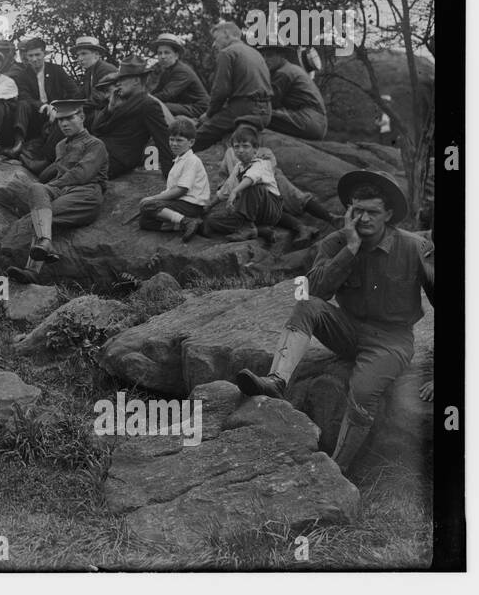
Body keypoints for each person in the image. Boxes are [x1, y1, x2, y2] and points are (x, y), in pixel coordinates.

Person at [235, 170, 434, 475]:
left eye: (373, 212)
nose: (364, 219)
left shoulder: (413, 247)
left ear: (389, 214)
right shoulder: (335, 242)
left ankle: (336, 471)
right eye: (357, 211)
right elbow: (314, 290)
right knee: (307, 306)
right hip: (347, 329)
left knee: (365, 391)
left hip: (391, 341)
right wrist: (351, 248)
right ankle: (276, 381)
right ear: (348, 211)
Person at [7, 98, 109, 284]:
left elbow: (82, 174)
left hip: (85, 194)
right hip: (63, 190)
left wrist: (53, 186)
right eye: (61, 120)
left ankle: (32, 269)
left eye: (69, 118)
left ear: (82, 117)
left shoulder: (95, 144)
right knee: (36, 189)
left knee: (40, 216)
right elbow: (56, 170)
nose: (64, 123)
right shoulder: (60, 145)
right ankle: (46, 244)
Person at [90, 55, 174, 179]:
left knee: (66, 176)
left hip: (115, 161)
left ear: (136, 80)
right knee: (58, 168)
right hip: (98, 153)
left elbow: (163, 140)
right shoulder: (121, 100)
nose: (118, 83)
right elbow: (96, 129)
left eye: (122, 79)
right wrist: (110, 108)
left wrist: (171, 176)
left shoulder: (148, 104)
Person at [194, 21, 273, 150]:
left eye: (215, 39)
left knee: (198, 136)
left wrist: (209, 114)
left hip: (244, 109)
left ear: (226, 34)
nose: (214, 44)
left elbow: (220, 92)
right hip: (266, 112)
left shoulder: (227, 53)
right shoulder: (255, 53)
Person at [199, 123, 283, 242]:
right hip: (250, 212)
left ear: (255, 149)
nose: (240, 150)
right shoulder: (238, 166)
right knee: (212, 220)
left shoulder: (262, 164)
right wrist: (209, 206)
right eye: (236, 147)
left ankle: (248, 227)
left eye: (245, 146)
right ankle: (258, 230)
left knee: (253, 187)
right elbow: (226, 189)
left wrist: (235, 191)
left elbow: (251, 177)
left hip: (269, 209)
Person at [137, 116, 211, 239]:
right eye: (171, 139)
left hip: (191, 205)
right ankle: (192, 225)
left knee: (148, 206)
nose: (174, 144)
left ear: (191, 142)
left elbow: (181, 190)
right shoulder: (178, 160)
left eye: (179, 140)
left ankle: (185, 221)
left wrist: (154, 198)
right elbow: (172, 189)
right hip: (181, 203)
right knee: (145, 222)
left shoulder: (192, 160)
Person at [10, 35, 77, 149]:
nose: (34, 59)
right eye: (31, 56)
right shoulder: (22, 75)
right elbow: (25, 96)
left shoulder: (56, 70)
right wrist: (43, 106)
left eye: (37, 55)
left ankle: (48, 149)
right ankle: (19, 142)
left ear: (44, 54)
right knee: (22, 104)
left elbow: (74, 91)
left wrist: (58, 107)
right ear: (26, 56)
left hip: (57, 112)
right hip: (36, 113)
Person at [262, 44, 329, 140]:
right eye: (263, 56)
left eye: (269, 55)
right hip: (317, 123)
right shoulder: (291, 69)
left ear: (282, 56)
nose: (265, 59)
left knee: (258, 114)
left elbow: (268, 103)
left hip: (308, 120)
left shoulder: (283, 73)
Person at [147, 34, 210, 120]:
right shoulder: (167, 71)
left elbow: (167, 94)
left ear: (176, 55)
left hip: (198, 108)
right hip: (185, 105)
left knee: (157, 107)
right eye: (159, 53)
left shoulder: (181, 71)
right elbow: (157, 91)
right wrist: (144, 97)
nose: (162, 56)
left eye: (167, 52)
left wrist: (144, 100)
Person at [71, 37, 118, 129]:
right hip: (97, 112)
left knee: (70, 121)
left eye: (84, 53)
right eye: (78, 55)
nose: (80, 58)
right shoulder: (90, 72)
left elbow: (99, 99)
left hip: (110, 114)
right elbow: (80, 96)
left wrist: (74, 109)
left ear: (96, 55)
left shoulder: (106, 69)